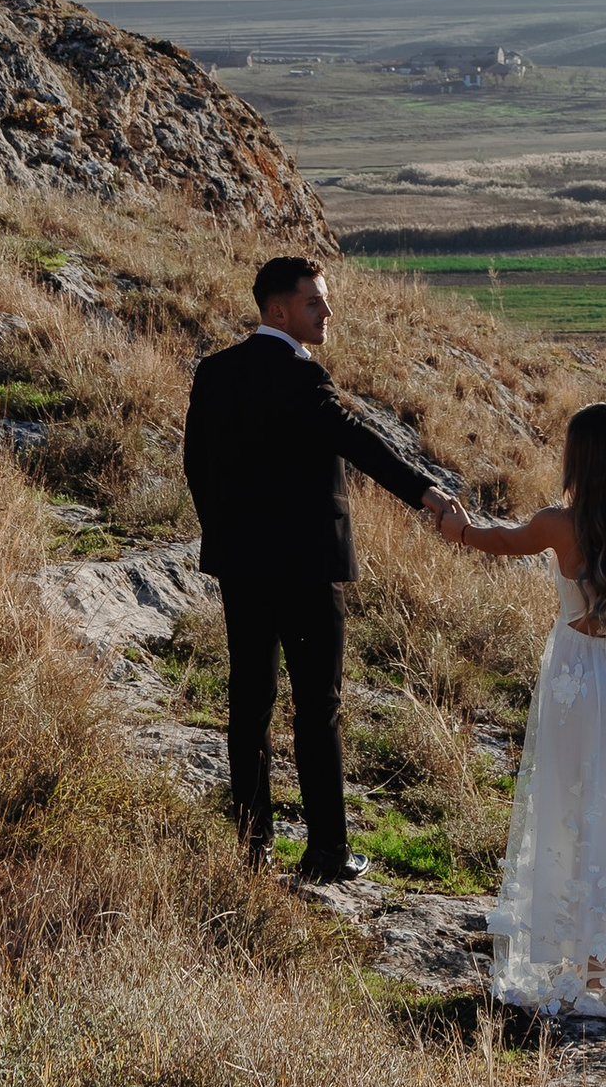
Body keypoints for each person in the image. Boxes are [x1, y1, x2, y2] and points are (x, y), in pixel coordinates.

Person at [183, 250, 448, 883]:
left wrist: (227, 538)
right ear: (277, 309)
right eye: (313, 301)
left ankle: (253, 848)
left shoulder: (215, 372)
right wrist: (426, 493)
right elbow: (358, 441)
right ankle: (326, 852)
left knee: (249, 705)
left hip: (243, 569)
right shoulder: (304, 379)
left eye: (324, 299)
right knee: (317, 707)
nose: (326, 310)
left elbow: (197, 466)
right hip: (306, 571)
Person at [433, 402, 606, 1021]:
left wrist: (457, 526)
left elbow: (495, 541)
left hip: (581, 675)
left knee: (580, 805)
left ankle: (593, 969)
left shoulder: (560, 523)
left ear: (578, 459)